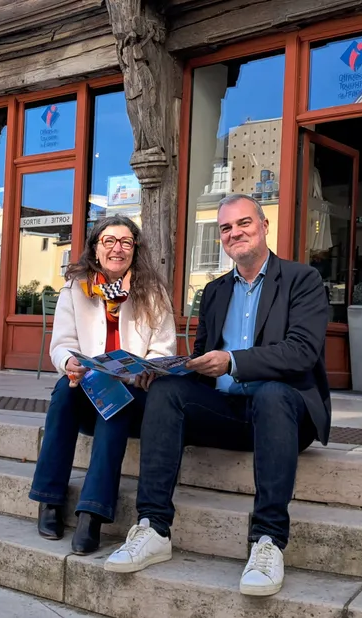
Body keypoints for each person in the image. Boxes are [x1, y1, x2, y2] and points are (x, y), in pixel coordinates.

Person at [103, 194, 331, 597]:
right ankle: (153, 528)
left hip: (285, 414)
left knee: (274, 395)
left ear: (264, 226)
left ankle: (268, 541)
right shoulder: (214, 291)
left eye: (244, 223)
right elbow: (207, 355)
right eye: (226, 228)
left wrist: (232, 361)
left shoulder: (302, 280)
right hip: (228, 411)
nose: (234, 233)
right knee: (169, 390)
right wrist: (173, 369)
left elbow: (302, 351)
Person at [29, 215, 176, 555]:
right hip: (85, 390)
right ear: (96, 248)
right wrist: (69, 362)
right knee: (64, 393)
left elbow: (164, 347)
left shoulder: (152, 292)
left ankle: (92, 514)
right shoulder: (75, 289)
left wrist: (145, 369)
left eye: (125, 242)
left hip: (134, 393)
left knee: (115, 399)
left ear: (134, 250)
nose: (117, 249)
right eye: (108, 241)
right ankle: (49, 500)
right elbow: (61, 343)